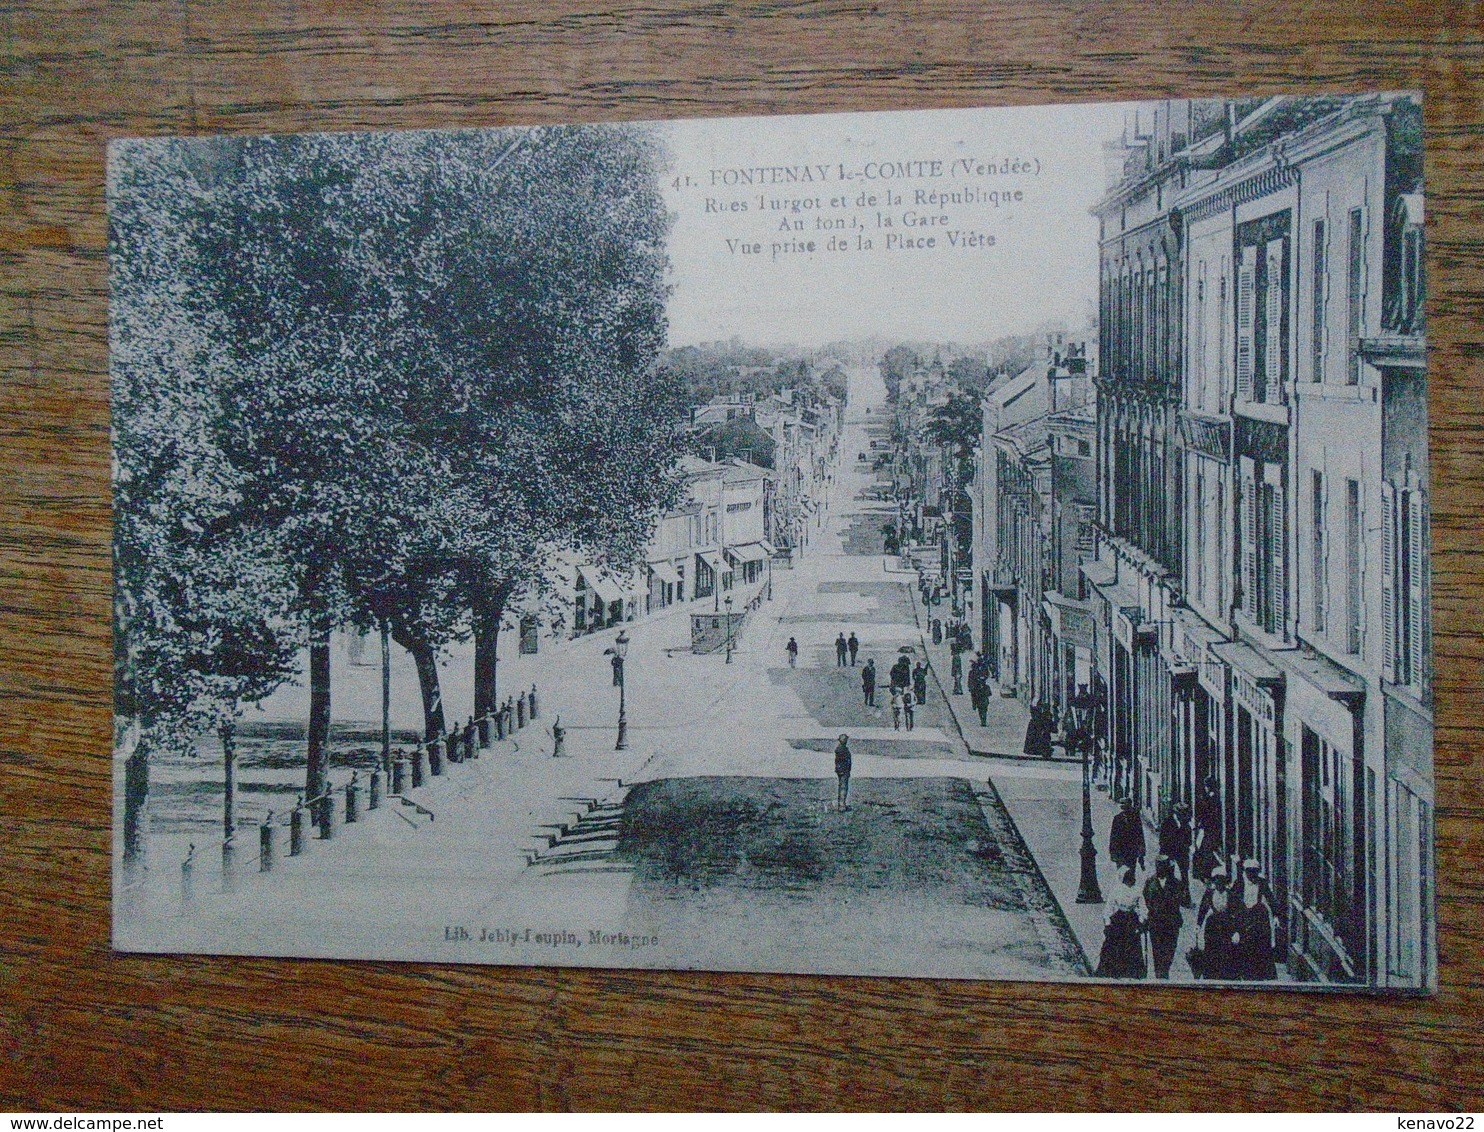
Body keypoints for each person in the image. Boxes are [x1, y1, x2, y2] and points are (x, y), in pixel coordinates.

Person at [1095, 866, 1148, 979]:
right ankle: (1113, 971)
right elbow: (1109, 908)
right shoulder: (1116, 890)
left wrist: (1142, 920)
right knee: (1114, 945)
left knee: (1132, 946)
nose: (1130, 881)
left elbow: (1142, 908)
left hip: (1131, 921)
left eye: (1131, 878)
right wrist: (1108, 923)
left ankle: (1131, 973)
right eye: (1128, 878)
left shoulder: (1137, 891)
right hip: (1118, 920)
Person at [1143, 855, 1184, 980]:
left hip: (1171, 923)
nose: (1159, 869)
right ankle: (1160, 976)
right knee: (1157, 951)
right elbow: (1145, 899)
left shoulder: (1176, 883)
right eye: (1158, 866)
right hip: (1155, 923)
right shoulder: (1150, 882)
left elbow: (1180, 900)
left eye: (1162, 866)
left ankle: (1164, 971)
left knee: (1169, 950)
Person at [1159, 803, 1193, 904]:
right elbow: (1162, 839)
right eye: (1181, 813)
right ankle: (1169, 899)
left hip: (1182, 854)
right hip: (1169, 853)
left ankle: (1185, 899)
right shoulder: (1167, 822)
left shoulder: (1186, 824)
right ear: (1176, 813)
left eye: (1184, 813)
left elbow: (1189, 840)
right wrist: (1166, 854)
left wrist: (1184, 847)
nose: (1183, 816)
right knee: (1169, 875)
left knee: (1184, 876)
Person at [1109, 795, 1146, 872]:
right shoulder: (1117, 818)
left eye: (1126, 805)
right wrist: (1112, 852)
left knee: (1131, 872)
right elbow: (1113, 836)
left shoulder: (1135, 818)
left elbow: (1140, 834)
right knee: (1121, 873)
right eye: (1123, 805)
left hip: (1132, 851)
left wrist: (1142, 852)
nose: (1125, 807)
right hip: (1120, 851)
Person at [834, 734, 853, 810]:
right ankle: (842, 805)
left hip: (841, 771)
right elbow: (845, 761)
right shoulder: (843, 750)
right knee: (843, 788)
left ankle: (841, 804)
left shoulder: (840, 749)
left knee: (842, 787)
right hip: (844, 771)